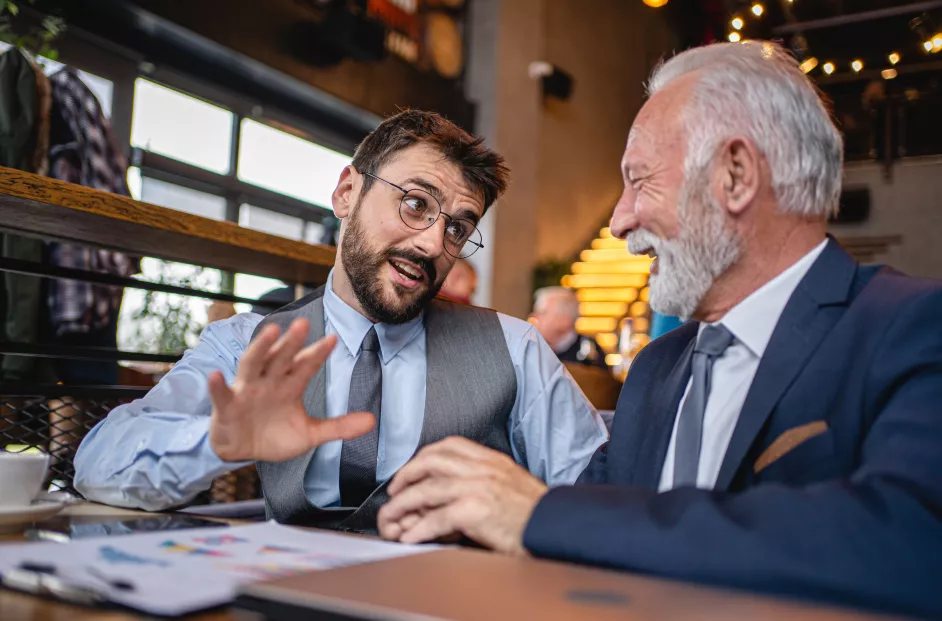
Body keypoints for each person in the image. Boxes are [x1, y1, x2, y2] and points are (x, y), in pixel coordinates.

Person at [377, 42, 942, 617]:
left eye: (640, 181)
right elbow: (584, 519)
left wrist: (535, 515)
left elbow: (910, 543)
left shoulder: (913, 327)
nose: (620, 221)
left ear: (736, 174)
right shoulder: (656, 367)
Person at [74, 110, 607, 533]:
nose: (432, 244)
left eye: (458, 228)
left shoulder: (515, 351)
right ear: (347, 193)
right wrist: (215, 443)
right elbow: (97, 467)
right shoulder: (246, 344)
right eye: (417, 203)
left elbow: (598, 502)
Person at [530, 287, 607, 370]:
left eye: (542, 312)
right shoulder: (531, 346)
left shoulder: (588, 351)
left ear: (565, 320)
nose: (534, 317)